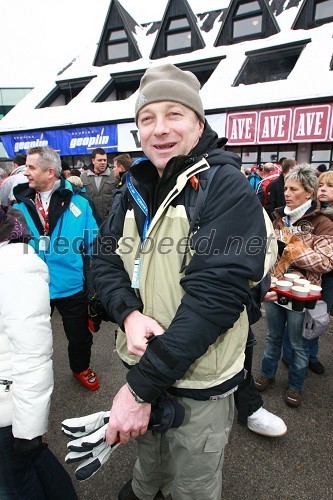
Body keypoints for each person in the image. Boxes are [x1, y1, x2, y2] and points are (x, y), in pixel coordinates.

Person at [92, 63, 277, 500]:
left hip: (198, 379)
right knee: (149, 459)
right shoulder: (133, 186)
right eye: (147, 118)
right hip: (145, 363)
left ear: (199, 122)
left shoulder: (225, 186)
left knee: (193, 479)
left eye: (174, 114)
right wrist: (128, 312)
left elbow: (213, 301)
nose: (159, 129)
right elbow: (102, 261)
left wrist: (137, 391)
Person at [0, 205, 77, 499]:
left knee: (13, 483)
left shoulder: (12, 264)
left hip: (7, 404)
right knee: (26, 465)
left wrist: (29, 427)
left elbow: (32, 351)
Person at [13, 146, 100, 391]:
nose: (25, 173)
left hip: (70, 285)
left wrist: (98, 285)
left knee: (79, 336)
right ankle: (30, 378)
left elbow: (95, 244)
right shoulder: (18, 206)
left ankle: (80, 367)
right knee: (29, 336)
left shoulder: (81, 204)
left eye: (31, 167)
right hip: (32, 287)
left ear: (50, 171)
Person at [255, 164, 333, 407]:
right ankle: (267, 375)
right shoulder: (279, 216)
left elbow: (325, 262)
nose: (286, 193)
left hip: (302, 294)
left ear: (309, 192)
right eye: (286, 188)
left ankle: (295, 386)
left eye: (293, 189)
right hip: (276, 289)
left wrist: (287, 248)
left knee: (299, 344)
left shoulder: (322, 223)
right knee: (272, 336)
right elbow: (269, 254)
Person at [307, 170, 333, 373]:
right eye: (321, 185)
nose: (323, 189)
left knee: (319, 314)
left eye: (330, 186)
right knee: (307, 313)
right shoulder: (312, 212)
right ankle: (301, 355)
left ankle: (311, 355)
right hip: (315, 271)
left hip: (329, 275)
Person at [81, 147, 117, 223]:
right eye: (100, 160)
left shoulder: (114, 175)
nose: (103, 162)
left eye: (105, 160)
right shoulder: (83, 177)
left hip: (110, 221)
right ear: (93, 161)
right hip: (90, 220)